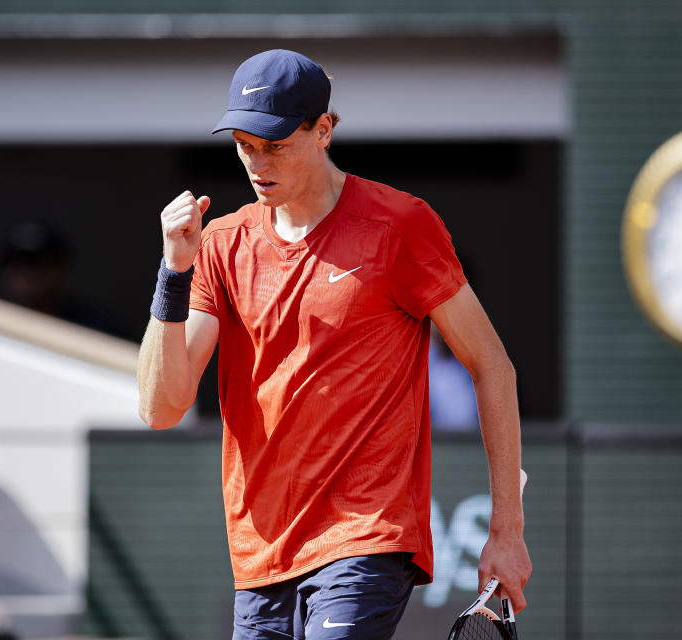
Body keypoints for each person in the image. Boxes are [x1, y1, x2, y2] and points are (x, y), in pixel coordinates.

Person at [138, 49, 530, 639]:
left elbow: (491, 365)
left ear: (324, 130)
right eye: (245, 145)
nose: (257, 163)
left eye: (275, 144)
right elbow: (160, 407)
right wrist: (173, 272)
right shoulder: (220, 245)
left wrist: (507, 530)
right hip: (259, 552)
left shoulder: (399, 224)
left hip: (367, 536)